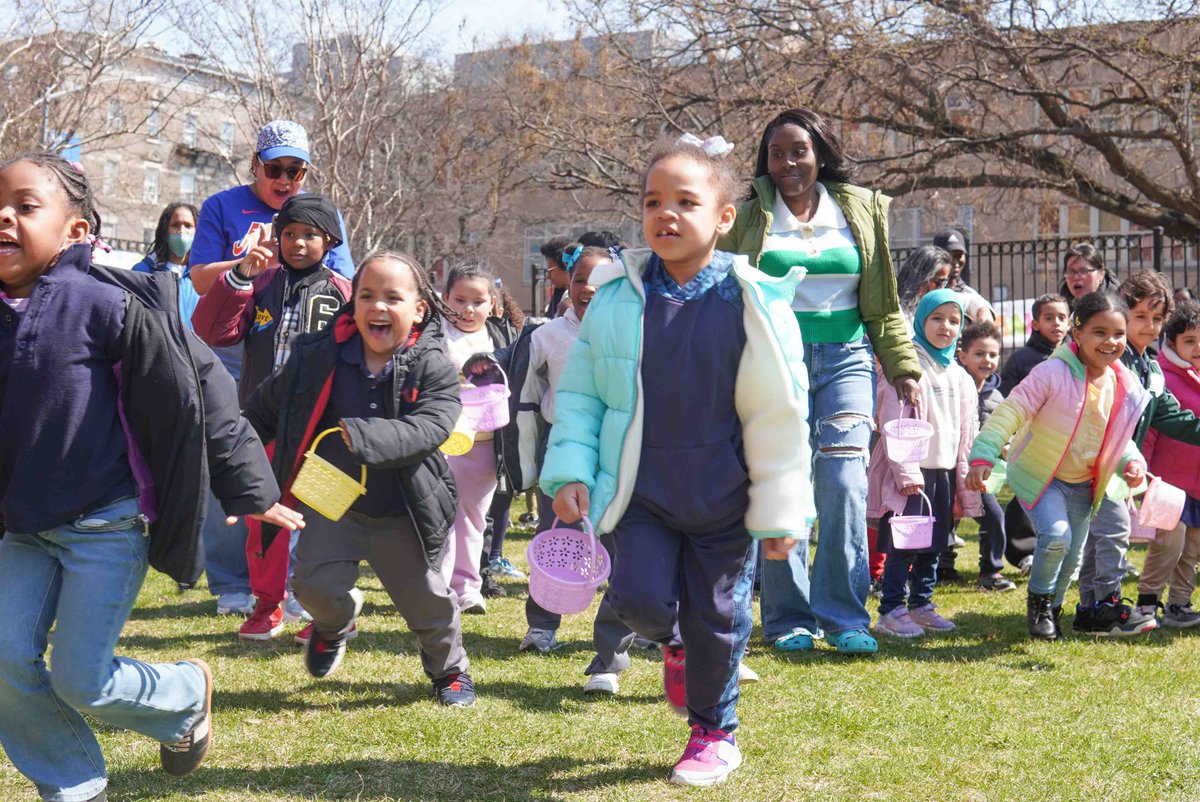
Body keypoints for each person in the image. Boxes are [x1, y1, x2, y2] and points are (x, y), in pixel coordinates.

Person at [0, 152, 301, 801]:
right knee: (3, 659)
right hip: (23, 528)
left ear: (76, 232)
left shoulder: (110, 302)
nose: (4, 217)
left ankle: (185, 694)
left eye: (25, 206)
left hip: (106, 524)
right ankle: (71, 785)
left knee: (83, 679)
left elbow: (203, 387)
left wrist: (250, 488)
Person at [544, 134, 813, 787]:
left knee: (718, 617)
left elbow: (780, 415)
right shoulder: (615, 298)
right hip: (640, 492)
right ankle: (674, 641)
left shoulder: (755, 300)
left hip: (725, 497)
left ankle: (713, 733)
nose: (665, 214)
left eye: (685, 202)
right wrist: (571, 473)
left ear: (723, 218)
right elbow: (579, 396)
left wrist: (781, 511)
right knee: (636, 599)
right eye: (652, 201)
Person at [718, 107, 920, 656]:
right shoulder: (749, 214)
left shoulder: (859, 209)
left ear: (821, 154)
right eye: (777, 153)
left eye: (799, 151)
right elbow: (725, 293)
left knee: (844, 482)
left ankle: (845, 616)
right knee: (786, 482)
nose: (788, 163)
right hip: (774, 359)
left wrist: (902, 366)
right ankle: (787, 619)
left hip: (848, 356)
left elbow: (883, 304)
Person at [241, 251, 476, 706]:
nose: (378, 307)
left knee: (427, 601)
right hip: (330, 497)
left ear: (419, 309)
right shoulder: (317, 357)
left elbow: (433, 425)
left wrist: (366, 435)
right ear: (353, 305)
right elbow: (262, 414)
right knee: (313, 586)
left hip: (402, 507)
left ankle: (449, 670)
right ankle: (334, 623)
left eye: (392, 297)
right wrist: (237, 468)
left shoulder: (432, 365)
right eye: (367, 295)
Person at [192, 193, 353, 642]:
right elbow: (212, 330)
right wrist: (240, 274)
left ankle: (331, 609)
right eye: (289, 235)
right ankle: (267, 606)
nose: (298, 243)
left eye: (309, 236)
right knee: (264, 516)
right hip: (262, 424)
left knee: (324, 519)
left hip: (323, 432)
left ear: (329, 240)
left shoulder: (344, 292)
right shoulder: (259, 283)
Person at [967, 291, 1149, 640]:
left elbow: (1118, 437)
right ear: (1077, 333)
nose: (1110, 342)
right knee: (1056, 537)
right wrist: (983, 454)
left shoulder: (1119, 382)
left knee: (1073, 557)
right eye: (1099, 332)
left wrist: (1132, 461)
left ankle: (1053, 608)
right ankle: (1038, 608)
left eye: (1118, 333)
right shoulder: (1050, 372)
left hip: (1084, 482)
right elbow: (1011, 410)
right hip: (1042, 475)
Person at [136, 201, 255, 615]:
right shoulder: (144, 273)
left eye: (189, 225)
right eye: (176, 224)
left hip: (210, 372)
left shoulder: (203, 279)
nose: (183, 232)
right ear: (163, 228)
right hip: (166, 378)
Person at [1071, 271, 1200, 635]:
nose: (1151, 326)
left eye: (1157, 318)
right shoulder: (1112, 360)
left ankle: (1091, 609)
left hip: (1120, 467)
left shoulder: (1150, 365)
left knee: (1101, 538)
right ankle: (1102, 605)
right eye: (1141, 316)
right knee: (1108, 534)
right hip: (1095, 463)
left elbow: (1171, 416)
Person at [868, 291, 981, 637]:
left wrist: (967, 468)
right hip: (913, 475)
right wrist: (906, 472)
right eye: (937, 318)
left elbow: (968, 427)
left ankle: (921, 604)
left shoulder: (958, 373)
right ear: (921, 321)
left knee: (935, 544)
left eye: (953, 320)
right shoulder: (907, 367)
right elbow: (893, 421)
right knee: (905, 544)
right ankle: (891, 609)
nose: (945, 327)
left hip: (943, 472)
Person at [441, 260, 515, 614]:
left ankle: (468, 587)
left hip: (485, 445)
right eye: (459, 300)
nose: (467, 309)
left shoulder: (502, 338)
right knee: (437, 515)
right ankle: (436, 588)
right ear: (445, 299)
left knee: (473, 518)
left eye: (477, 301)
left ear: (493, 304)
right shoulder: (432, 334)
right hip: (439, 442)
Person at [1137, 301, 1200, 627]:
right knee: (1168, 546)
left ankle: (1179, 605)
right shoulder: (1166, 377)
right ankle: (1147, 602)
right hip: (1169, 484)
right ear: (1173, 343)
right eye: (1190, 340)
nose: (1198, 348)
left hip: (1198, 484)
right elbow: (1151, 428)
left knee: (1192, 550)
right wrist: (1143, 473)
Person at [957, 321, 1016, 591]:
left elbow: (1004, 429)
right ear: (963, 356)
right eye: (979, 354)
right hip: (951, 466)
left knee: (993, 516)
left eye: (993, 355)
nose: (987, 360)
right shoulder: (954, 386)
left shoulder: (997, 397)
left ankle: (991, 571)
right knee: (946, 518)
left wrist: (1007, 445)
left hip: (981, 473)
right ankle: (942, 565)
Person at [999, 293, 1070, 396]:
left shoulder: (1077, 356)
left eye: (1061, 318)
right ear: (1035, 325)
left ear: (1069, 324)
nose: (1056, 323)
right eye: (1049, 318)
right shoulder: (1020, 360)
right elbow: (1007, 396)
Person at [932, 228, 995, 323]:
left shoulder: (969, 293)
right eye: (949, 256)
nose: (955, 261)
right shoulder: (928, 288)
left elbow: (972, 301)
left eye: (959, 255)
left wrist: (984, 310)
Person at [895, 245, 952, 317]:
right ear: (921, 279)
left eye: (945, 282)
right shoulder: (898, 312)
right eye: (939, 282)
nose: (941, 289)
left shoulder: (939, 309)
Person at [1058, 242, 1117, 307]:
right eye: (1071, 271)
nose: (1076, 277)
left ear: (1101, 274)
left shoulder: (1116, 309)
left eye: (1084, 271)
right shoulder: (1061, 309)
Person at [539, 237, 573, 317]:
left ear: (565, 266)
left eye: (550, 270)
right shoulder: (558, 294)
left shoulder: (581, 296)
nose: (548, 276)